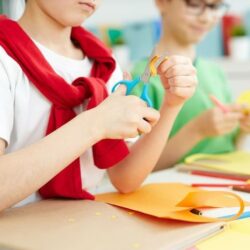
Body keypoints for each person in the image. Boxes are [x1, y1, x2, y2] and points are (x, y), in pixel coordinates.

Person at [0, 0, 197, 211]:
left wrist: (172, 105)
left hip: (81, 225)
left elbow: (125, 178)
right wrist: (95, 124)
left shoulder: (105, 63)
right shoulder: (4, 59)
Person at [132, 0, 250, 170]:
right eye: (194, 4)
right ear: (162, 3)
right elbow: (133, 170)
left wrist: (244, 129)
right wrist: (197, 130)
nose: (206, 18)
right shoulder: (141, 80)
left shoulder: (215, 72)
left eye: (214, 7)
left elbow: (229, 148)